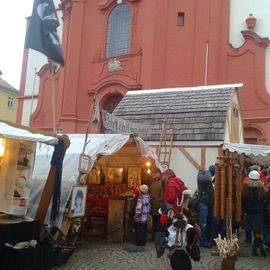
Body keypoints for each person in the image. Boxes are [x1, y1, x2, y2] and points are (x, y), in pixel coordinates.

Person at [242, 170, 267, 257]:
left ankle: (258, 249)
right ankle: (256, 250)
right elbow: (264, 197)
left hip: (249, 212)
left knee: (254, 230)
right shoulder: (261, 186)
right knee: (258, 231)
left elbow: (243, 198)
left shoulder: (245, 186)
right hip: (259, 213)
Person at [197, 165, 217, 248]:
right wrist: (209, 172)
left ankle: (212, 240)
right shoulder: (201, 175)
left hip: (212, 203)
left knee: (214, 220)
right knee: (203, 222)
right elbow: (207, 179)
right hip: (203, 202)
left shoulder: (213, 177)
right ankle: (202, 241)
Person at [149, 168, 164, 240]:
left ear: (158, 173)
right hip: (153, 204)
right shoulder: (152, 182)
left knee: (159, 221)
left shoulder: (163, 182)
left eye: (154, 173)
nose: (152, 175)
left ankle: (159, 236)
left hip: (160, 204)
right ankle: (154, 235)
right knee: (154, 221)